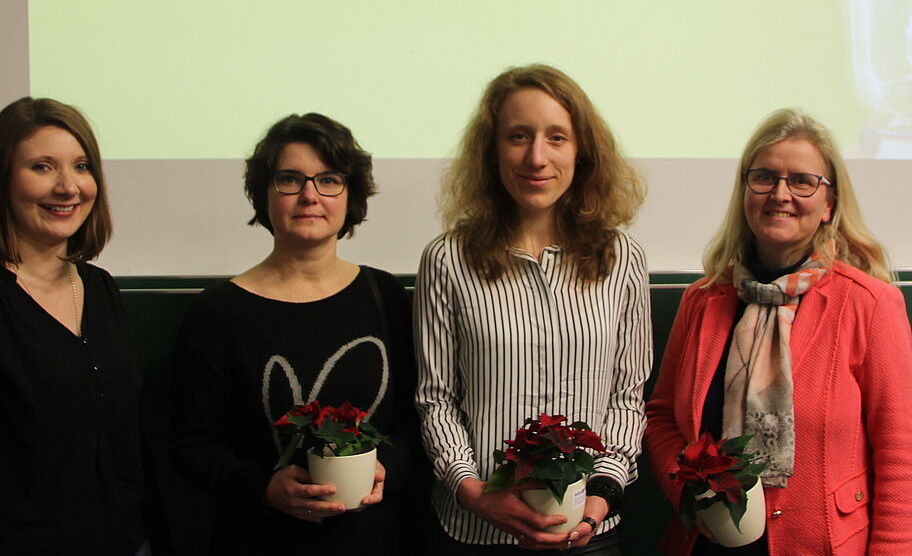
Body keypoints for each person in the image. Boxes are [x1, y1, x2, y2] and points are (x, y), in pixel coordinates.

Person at [645, 109, 912, 555]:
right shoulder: (702, 300)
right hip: (705, 543)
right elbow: (661, 419)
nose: (780, 194)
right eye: (764, 177)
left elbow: (900, 455)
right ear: (745, 193)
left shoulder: (870, 304)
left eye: (802, 181)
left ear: (829, 205)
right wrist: (690, 496)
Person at [414, 64, 652, 555]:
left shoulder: (622, 257)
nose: (537, 157)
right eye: (518, 136)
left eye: (556, 137)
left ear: (582, 150)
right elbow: (436, 399)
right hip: (476, 533)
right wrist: (473, 492)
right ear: (492, 150)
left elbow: (627, 399)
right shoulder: (447, 259)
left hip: (588, 531)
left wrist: (600, 499)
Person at [0, 97, 164, 555]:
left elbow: (130, 445)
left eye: (81, 166)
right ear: (1, 181)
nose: (68, 187)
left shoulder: (101, 289)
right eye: (42, 167)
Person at [170, 113, 420, 555]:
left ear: (351, 194)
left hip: (374, 541)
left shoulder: (385, 297)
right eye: (289, 179)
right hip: (259, 542)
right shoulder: (217, 312)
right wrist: (263, 489)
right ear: (263, 193)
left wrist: (388, 467)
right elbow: (191, 444)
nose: (309, 195)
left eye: (329, 180)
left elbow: (419, 422)